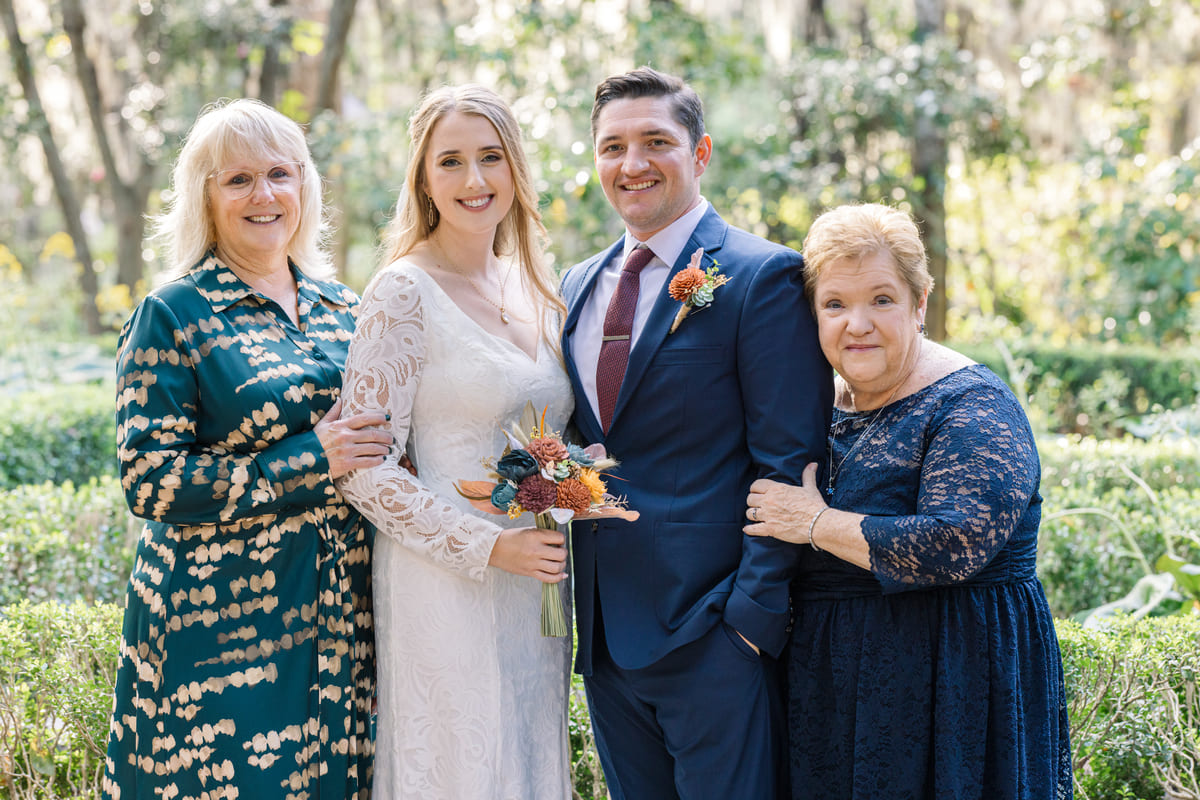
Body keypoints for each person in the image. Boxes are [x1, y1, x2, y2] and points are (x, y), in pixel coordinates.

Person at [102, 98, 389, 799]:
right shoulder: (172, 312)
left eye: (279, 175)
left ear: (304, 187)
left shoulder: (345, 308)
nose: (264, 195)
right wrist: (309, 458)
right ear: (205, 196)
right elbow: (152, 481)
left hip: (341, 618)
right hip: (221, 634)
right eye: (237, 180)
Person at [559, 66, 832, 799]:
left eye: (656, 142)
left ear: (701, 152)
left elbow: (789, 461)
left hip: (713, 637)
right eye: (613, 146)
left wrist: (746, 626)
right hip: (607, 641)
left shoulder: (761, 277)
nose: (633, 163)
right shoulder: (575, 285)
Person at [744, 202, 1073, 799]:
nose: (857, 324)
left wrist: (817, 523)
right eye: (835, 304)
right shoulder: (815, 404)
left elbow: (955, 542)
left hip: (953, 680)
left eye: (882, 299)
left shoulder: (971, 403)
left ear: (920, 303)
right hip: (830, 688)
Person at [335, 85, 573, 800]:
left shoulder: (533, 285)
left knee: (530, 753)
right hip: (443, 583)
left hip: (537, 590)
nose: (475, 181)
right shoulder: (401, 292)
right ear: (425, 179)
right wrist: (490, 546)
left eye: (491, 158)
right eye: (452, 162)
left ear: (515, 169)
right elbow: (363, 471)